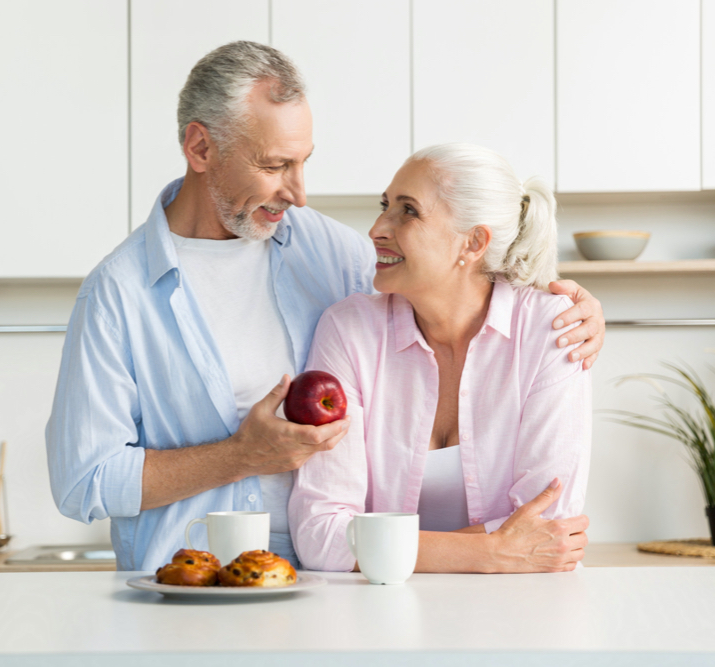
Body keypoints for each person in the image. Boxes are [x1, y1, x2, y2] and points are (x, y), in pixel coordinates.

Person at [45, 42, 604, 572]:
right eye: (274, 165)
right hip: (188, 586)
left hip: (324, 592)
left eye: (303, 162)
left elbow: (446, 275)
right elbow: (84, 482)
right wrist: (240, 455)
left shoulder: (326, 251)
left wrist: (573, 308)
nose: (298, 192)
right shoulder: (117, 295)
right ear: (200, 148)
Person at [289, 143, 591, 573]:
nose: (377, 227)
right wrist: (490, 551)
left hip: (523, 608)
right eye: (385, 205)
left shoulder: (552, 329)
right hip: (381, 612)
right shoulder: (348, 330)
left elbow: (550, 530)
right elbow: (319, 535)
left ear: (473, 242)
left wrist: (378, 549)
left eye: (408, 211)